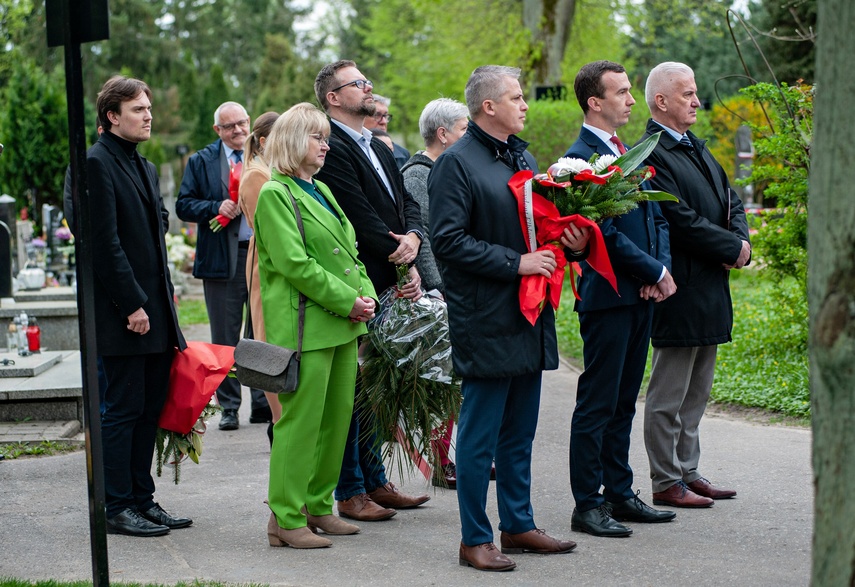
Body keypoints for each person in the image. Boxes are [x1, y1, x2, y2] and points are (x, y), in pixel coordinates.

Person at [428, 65, 586, 572]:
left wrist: (570, 242)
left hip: (528, 313)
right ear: (488, 107)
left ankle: (517, 525)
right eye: (516, 97)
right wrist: (516, 263)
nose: (525, 104)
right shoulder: (456, 164)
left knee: (519, 432)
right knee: (479, 439)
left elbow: (534, 229)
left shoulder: (522, 156)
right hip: (486, 317)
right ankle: (475, 538)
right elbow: (448, 241)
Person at [256, 103, 378, 549]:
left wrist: (367, 295)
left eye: (326, 137)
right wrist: (350, 301)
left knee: (335, 422)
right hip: (307, 326)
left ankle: (319, 506)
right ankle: (285, 519)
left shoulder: (321, 190)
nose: (326, 145)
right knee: (301, 423)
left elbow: (350, 252)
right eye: (316, 137)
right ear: (292, 141)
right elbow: (294, 264)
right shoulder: (276, 193)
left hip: (342, 324)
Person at [563, 61, 677, 538]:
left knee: (626, 399)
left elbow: (657, 219)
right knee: (598, 403)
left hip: (638, 294)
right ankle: (587, 504)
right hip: (608, 298)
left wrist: (659, 270)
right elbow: (601, 235)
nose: (632, 100)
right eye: (623, 92)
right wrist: (652, 270)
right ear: (595, 101)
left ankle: (619, 492)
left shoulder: (626, 150)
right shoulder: (580, 159)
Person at [314, 60, 430, 522]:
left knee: (375, 390)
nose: (369, 87)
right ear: (333, 98)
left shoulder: (378, 147)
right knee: (353, 390)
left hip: (393, 274)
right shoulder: (332, 146)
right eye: (358, 83)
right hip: (358, 280)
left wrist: (414, 246)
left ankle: (375, 479)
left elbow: (407, 204)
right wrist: (399, 254)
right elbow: (358, 217)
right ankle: (350, 490)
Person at [640, 62, 750, 508]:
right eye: (687, 94)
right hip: (679, 289)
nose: (697, 101)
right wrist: (730, 247)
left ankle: (688, 470)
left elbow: (731, 199)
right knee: (669, 393)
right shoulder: (650, 152)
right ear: (662, 101)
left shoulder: (694, 147)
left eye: (696, 93)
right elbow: (677, 220)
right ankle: (666, 480)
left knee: (697, 391)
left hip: (709, 288)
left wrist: (741, 240)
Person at [87, 75, 189, 537]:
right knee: (122, 409)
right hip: (124, 315)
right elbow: (103, 244)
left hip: (155, 311)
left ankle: (142, 499)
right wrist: (131, 304)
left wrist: (154, 304)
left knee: (148, 409)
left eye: (149, 108)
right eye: (138, 110)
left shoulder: (142, 166)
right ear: (112, 116)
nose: (148, 116)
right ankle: (115, 506)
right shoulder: (94, 163)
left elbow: (157, 221)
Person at [176, 101, 271, 431]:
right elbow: (183, 205)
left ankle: (262, 401)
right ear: (217, 130)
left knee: (259, 332)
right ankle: (229, 406)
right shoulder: (201, 161)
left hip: (259, 256)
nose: (238, 130)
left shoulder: (262, 155)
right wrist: (215, 206)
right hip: (221, 259)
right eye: (230, 126)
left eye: (242, 123)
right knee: (225, 337)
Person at [400, 97, 469, 488]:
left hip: (452, 289)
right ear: (443, 134)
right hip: (436, 295)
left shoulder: (448, 167)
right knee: (440, 378)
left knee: (454, 378)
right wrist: (438, 289)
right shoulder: (418, 175)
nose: (468, 136)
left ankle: (454, 456)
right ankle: (442, 460)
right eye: (463, 129)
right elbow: (424, 239)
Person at [237, 111, 280, 447]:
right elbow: (265, 227)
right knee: (269, 339)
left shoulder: (268, 170)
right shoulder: (255, 175)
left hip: (270, 259)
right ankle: (276, 421)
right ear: (264, 140)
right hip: (265, 264)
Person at [365, 94, 410, 168]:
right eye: (377, 115)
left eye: (385, 115)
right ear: (362, 117)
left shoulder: (403, 155)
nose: (384, 121)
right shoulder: (353, 150)